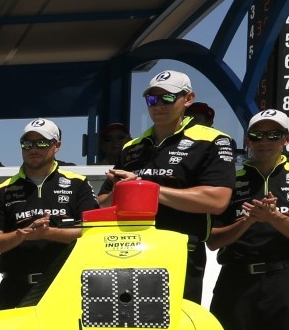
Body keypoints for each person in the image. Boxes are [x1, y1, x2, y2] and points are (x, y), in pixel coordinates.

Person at [98, 71, 235, 303]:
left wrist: (145, 188)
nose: (158, 105)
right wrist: (121, 191)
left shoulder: (213, 141)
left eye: (168, 98)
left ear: (188, 98)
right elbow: (101, 203)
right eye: (152, 99)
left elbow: (217, 200)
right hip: (128, 251)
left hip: (180, 250)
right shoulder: (133, 146)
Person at [0, 119, 98, 309]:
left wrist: (48, 233)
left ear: (57, 146)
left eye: (42, 143)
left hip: (65, 285)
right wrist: (21, 235)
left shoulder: (78, 184)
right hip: (15, 288)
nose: (33, 149)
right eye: (27, 144)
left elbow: (91, 233)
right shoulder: (3, 190)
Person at [207, 109, 289, 330]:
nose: (264, 141)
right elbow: (213, 241)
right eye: (257, 135)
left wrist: (274, 218)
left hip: (282, 279)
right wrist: (248, 221)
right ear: (247, 140)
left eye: (273, 135)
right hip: (235, 279)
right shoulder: (229, 179)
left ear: (285, 139)